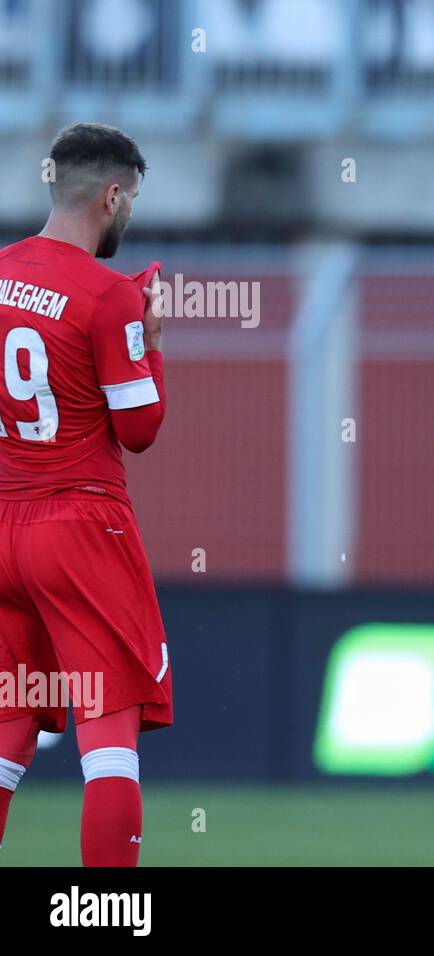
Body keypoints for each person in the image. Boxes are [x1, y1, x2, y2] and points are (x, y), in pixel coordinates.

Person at [0, 123, 170, 866]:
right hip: (79, 523)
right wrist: (153, 347)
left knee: (7, 726)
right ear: (111, 195)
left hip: (4, 519)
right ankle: (105, 917)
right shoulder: (106, 295)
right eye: (130, 200)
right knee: (108, 735)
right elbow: (139, 430)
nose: (128, 215)